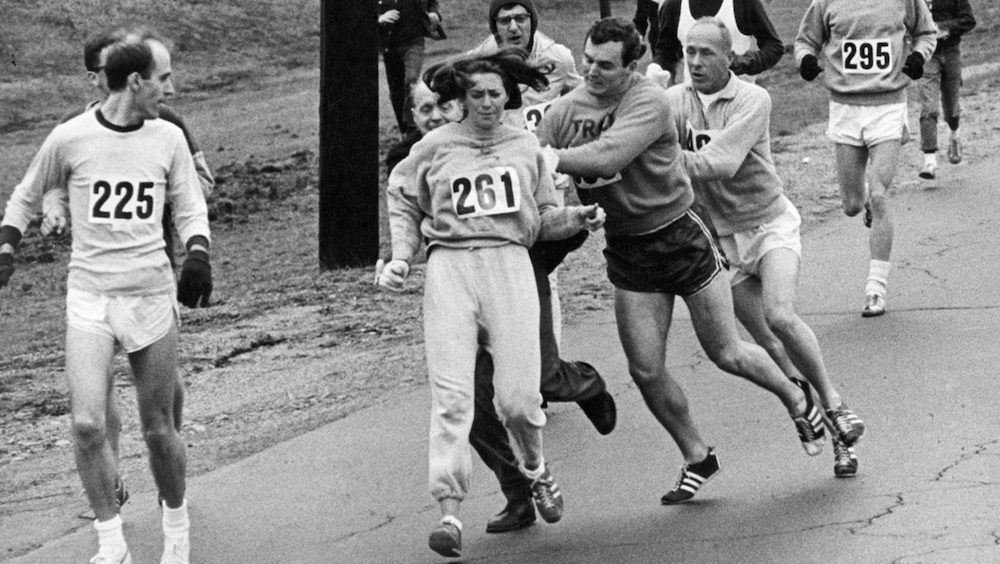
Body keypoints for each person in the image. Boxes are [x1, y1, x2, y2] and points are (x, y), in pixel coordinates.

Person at [537, 17, 827, 506]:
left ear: (631, 66)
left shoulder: (649, 101)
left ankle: (795, 395)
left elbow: (608, 156)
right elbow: (531, 161)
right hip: (628, 247)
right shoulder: (565, 111)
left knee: (726, 352)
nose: (591, 72)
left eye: (605, 65)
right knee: (645, 370)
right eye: (587, 60)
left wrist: (549, 158)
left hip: (680, 235)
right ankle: (697, 455)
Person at [379, 49, 605, 557]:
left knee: (519, 400)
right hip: (451, 268)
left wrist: (578, 217)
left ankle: (536, 469)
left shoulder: (525, 147)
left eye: (494, 94)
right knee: (453, 398)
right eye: (476, 94)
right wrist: (401, 256)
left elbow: (543, 217)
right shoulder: (435, 147)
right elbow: (402, 197)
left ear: (508, 97)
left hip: (509, 265)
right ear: (462, 98)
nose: (485, 102)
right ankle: (449, 513)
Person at [0, 33, 212, 564]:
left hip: (149, 295)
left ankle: (176, 530)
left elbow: (191, 206)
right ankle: (112, 541)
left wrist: (197, 254)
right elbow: (27, 193)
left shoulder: (168, 137)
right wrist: (7, 246)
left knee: (158, 429)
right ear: (135, 81)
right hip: (90, 297)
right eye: (163, 79)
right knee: (87, 424)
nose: (170, 90)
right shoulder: (70, 136)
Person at [665, 17, 866, 477]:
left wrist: (660, 158)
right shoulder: (675, 100)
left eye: (706, 53)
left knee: (780, 315)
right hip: (722, 237)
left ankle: (833, 403)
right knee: (772, 347)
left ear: (730, 57)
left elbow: (720, 162)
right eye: (689, 52)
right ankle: (828, 430)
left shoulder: (754, 99)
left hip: (768, 223)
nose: (695, 62)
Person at [795, 0, 937, 316]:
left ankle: (876, 290)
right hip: (845, 107)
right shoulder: (826, 2)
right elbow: (806, 40)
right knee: (851, 205)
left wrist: (918, 56)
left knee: (880, 193)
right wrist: (806, 60)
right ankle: (867, 203)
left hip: (888, 104)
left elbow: (927, 33)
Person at [467, 0, 585, 348]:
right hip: (501, 177)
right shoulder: (480, 59)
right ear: (494, 25)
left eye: (521, 18)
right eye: (504, 20)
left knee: (548, 273)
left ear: (532, 21)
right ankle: (501, 352)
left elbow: (581, 97)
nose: (513, 27)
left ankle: (550, 360)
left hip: (545, 175)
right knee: (502, 268)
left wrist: (567, 143)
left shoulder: (557, 57)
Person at [651, 0, 783, 85]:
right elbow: (666, 52)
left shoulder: (743, 3)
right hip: (694, 100)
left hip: (739, 101)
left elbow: (774, 46)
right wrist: (655, 68)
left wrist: (744, 62)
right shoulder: (674, 5)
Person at [916, 0, 976, 180]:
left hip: (951, 52)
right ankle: (929, 160)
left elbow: (969, 20)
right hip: (927, 55)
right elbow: (905, 22)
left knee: (952, 110)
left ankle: (954, 135)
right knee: (929, 107)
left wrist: (944, 28)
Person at [377, 0, 444, 135]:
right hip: (390, 46)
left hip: (414, 42)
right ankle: (404, 130)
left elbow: (432, 3)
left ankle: (412, 127)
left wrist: (434, 14)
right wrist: (380, 18)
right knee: (396, 90)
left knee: (412, 80)